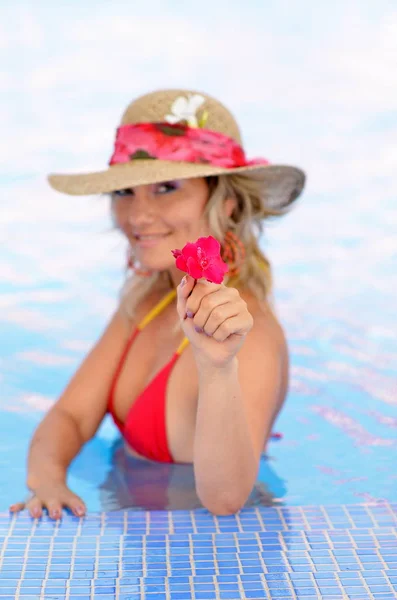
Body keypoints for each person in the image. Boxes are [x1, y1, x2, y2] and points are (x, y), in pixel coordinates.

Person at [9, 89, 305, 519]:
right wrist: (48, 479)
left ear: (226, 202)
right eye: (125, 191)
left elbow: (225, 502)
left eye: (167, 188)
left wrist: (217, 366)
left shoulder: (248, 332)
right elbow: (71, 415)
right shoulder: (147, 301)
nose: (138, 215)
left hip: (214, 558)